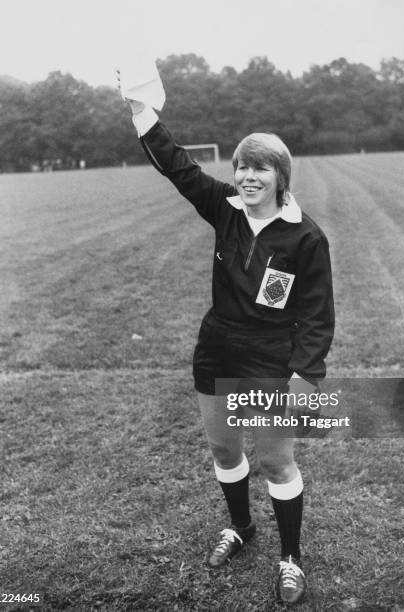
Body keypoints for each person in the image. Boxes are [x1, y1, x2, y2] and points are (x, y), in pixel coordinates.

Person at [120, 82, 335, 605]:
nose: (247, 176)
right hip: (217, 346)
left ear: (281, 177)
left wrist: (305, 375)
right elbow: (176, 166)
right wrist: (140, 107)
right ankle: (241, 527)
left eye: (260, 169)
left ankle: (291, 558)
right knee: (223, 447)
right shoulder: (224, 207)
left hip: (269, 356)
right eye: (242, 167)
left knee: (277, 462)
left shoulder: (305, 237)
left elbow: (316, 315)